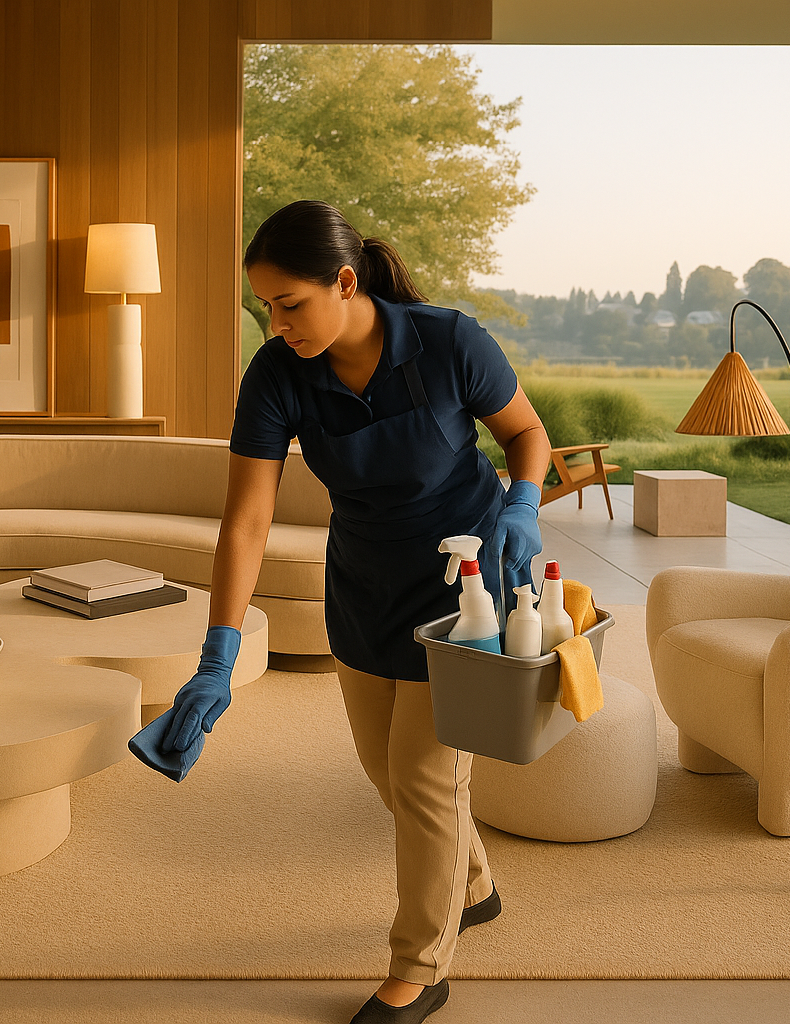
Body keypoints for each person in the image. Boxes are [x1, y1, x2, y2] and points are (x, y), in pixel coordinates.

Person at [157, 200, 550, 1023]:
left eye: (289, 303)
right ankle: (471, 885)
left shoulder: (448, 343)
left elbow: (525, 433)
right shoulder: (278, 374)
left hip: (466, 584)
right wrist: (217, 654)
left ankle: (422, 965)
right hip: (363, 584)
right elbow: (248, 519)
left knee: (426, 773)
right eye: (264, 305)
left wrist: (521, 504)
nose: (277, 322)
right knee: (385, 770)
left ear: (344, 282)